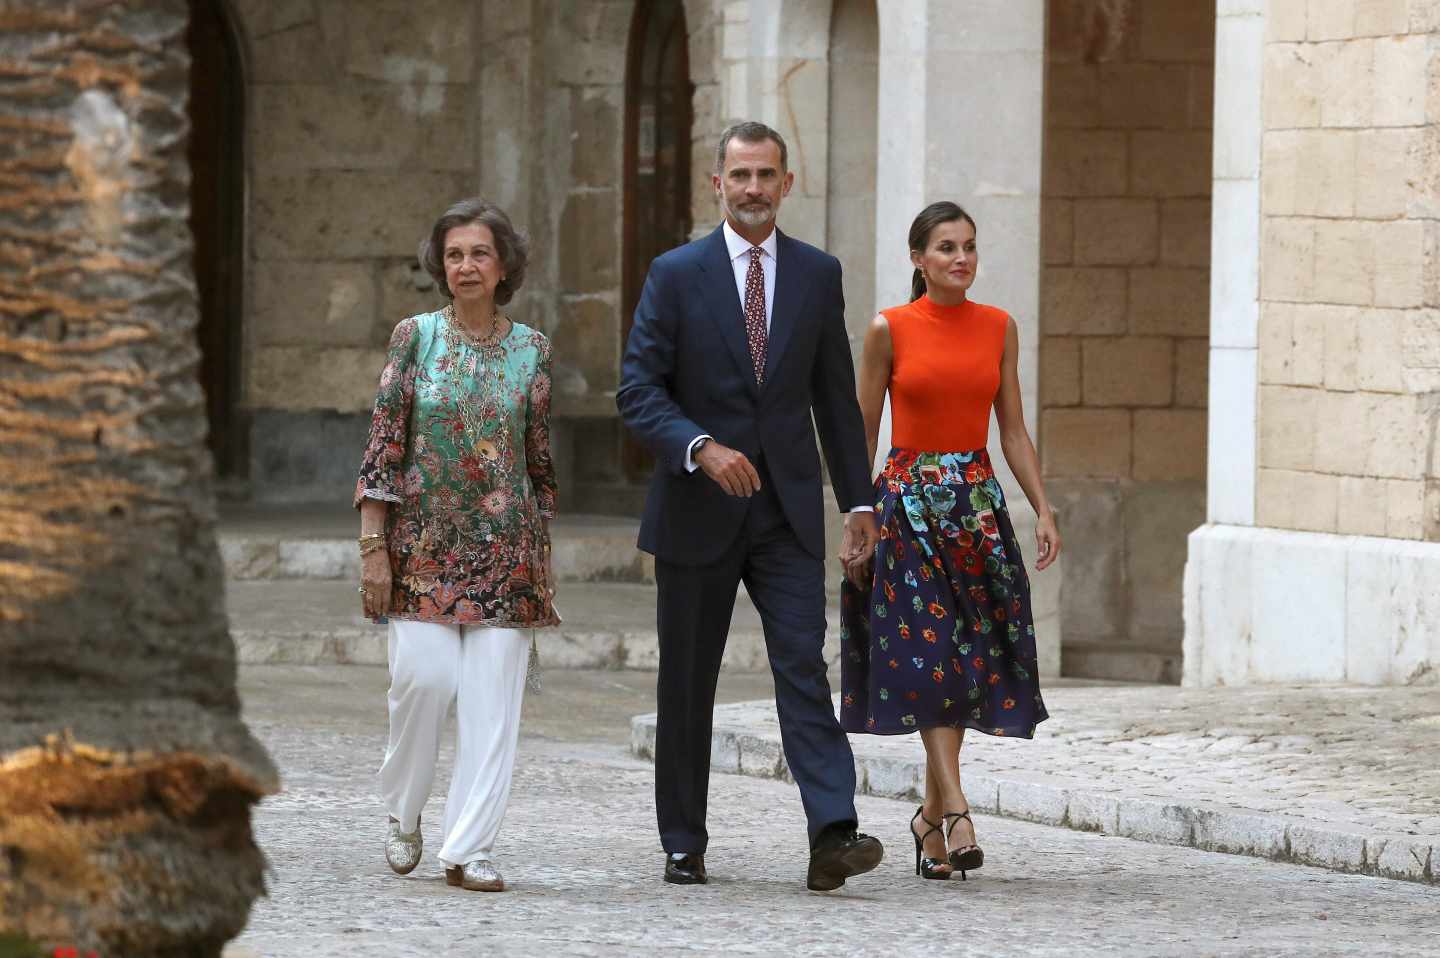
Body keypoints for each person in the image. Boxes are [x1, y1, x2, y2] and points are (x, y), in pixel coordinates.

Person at [617, 121, 884, 891]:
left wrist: (858, 501)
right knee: (688, 679)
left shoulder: (817, 273)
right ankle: (682, 841)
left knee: (803, 663)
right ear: (718, 183)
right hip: (697, 510)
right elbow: (637, 391)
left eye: (767, 175)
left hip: (788, 514)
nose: (754, 189)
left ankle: (833, 831)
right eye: (741, 176)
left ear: (787, 183)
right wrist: (701, 447)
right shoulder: (675, 273)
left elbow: (835, 401)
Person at [841, 201, 1059, 881]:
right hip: (907, 509)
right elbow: (862, 430)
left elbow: (1014, 429)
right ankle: (958, 807)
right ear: (918, 259)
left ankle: (927, 820)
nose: (960, 258)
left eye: (967, 246)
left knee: (964, 663)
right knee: (927, 654)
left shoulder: (999, 327)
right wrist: (859, 519)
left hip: (978, 510)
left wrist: (1043, 508)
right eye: (944, 248)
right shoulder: (890, 329)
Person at [354, 198, 557, 893]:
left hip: (509, 553)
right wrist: (372, 546)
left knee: (492, 703)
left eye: (479, 254)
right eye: (454, 255)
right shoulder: (415, 336)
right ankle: (405, 811)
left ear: (504, 267)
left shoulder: (533, 348)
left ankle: (470, 848)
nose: (465, 266)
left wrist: (541, 555)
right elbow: (384, 442)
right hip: (423, 551)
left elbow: (536, 459)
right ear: (440, 268)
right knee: (424, 681)